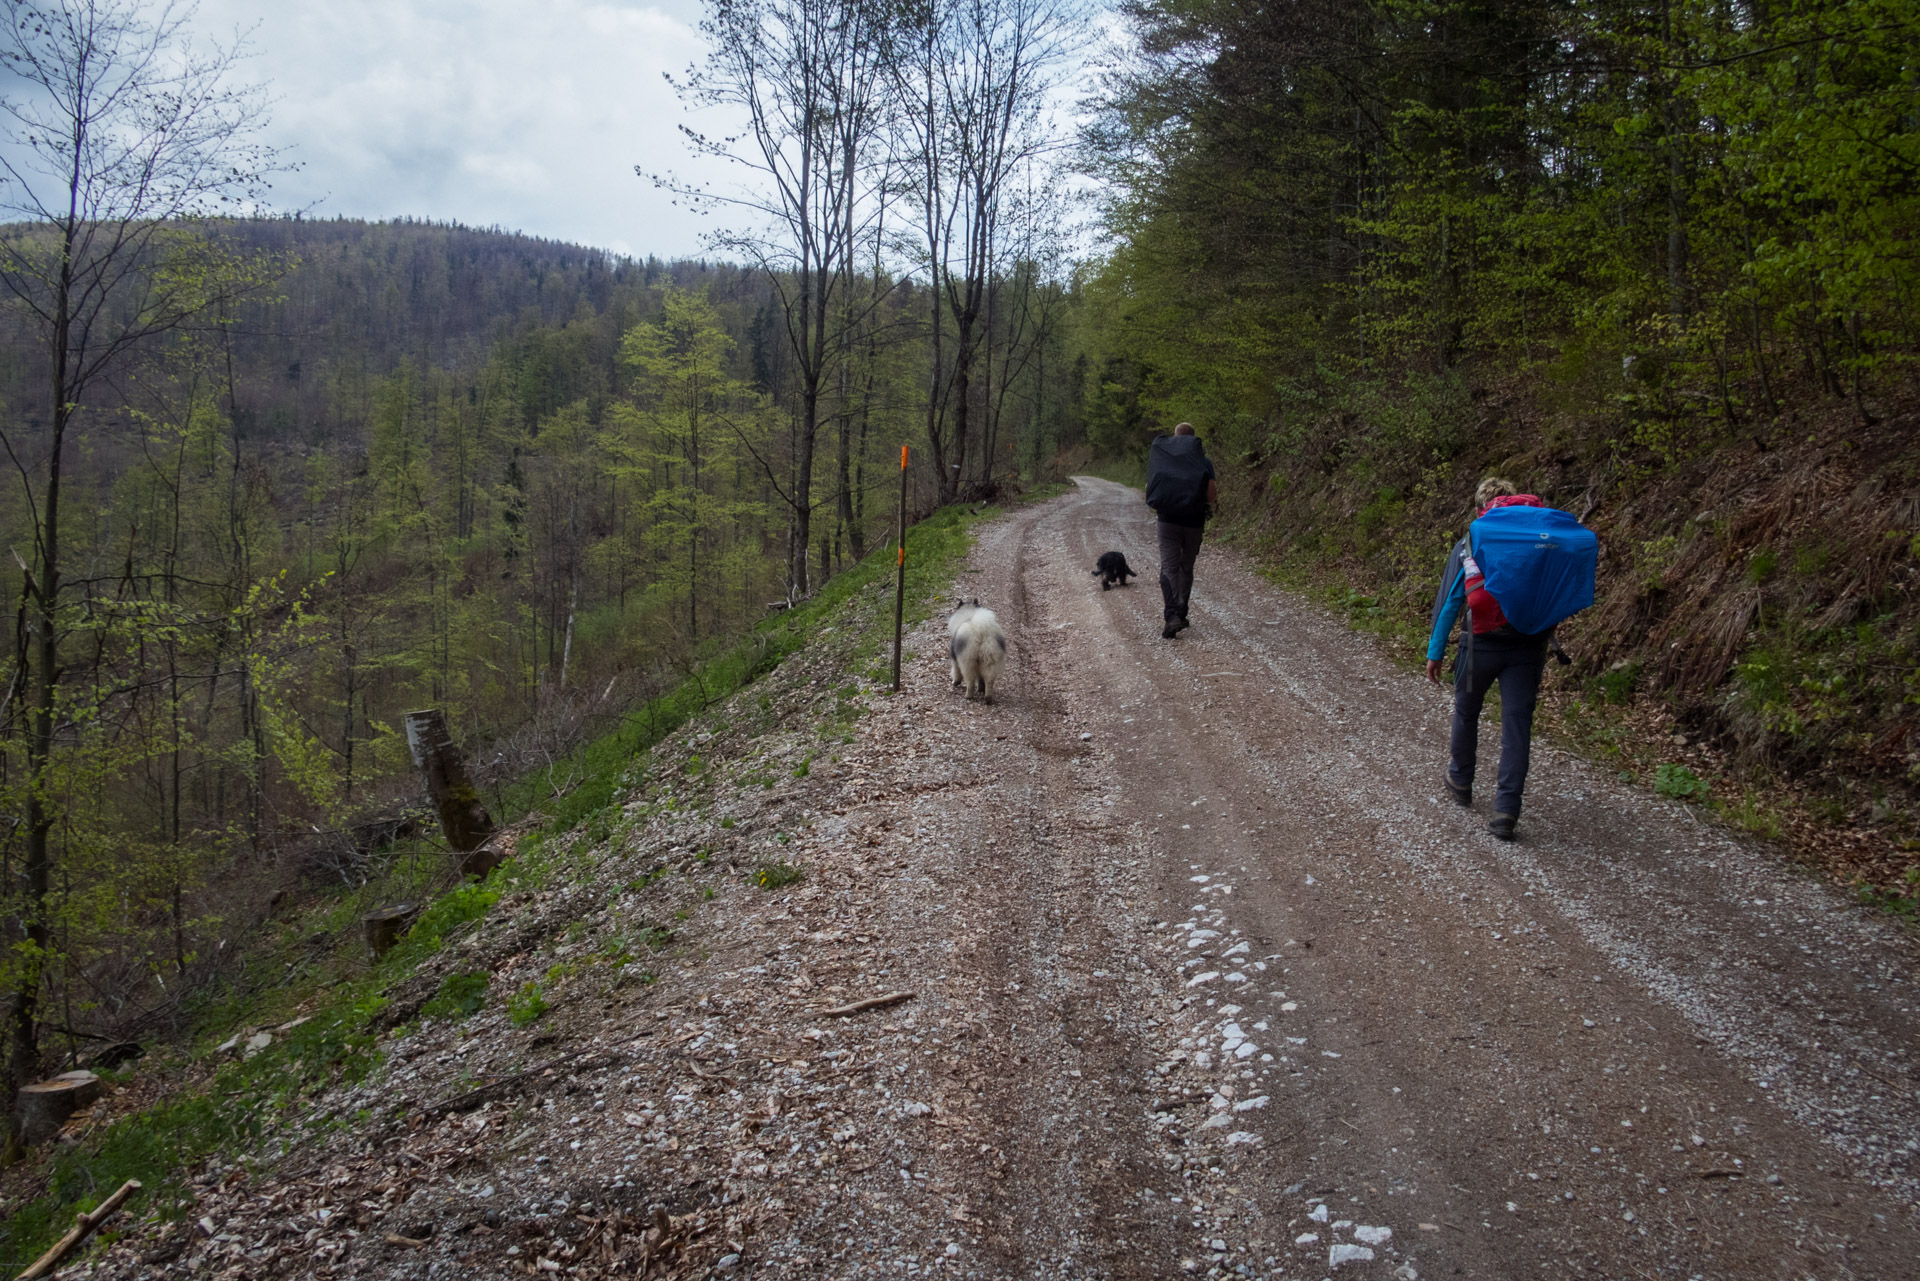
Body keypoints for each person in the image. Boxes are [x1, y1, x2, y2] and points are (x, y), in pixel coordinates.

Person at [1425, 477, 1551, 841]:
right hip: (1528, 648)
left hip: (1477, 645)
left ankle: (1461, 780)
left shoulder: (1471, 540)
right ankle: (1506, 811)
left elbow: (1451, 601)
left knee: (1466, 711)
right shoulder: (1538, 541)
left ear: (1480, 508)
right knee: (1516, 725)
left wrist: (1435, 653)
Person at [1145, 422, 1217, 639]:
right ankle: (1182, 609)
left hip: (1167, 521)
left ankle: (1171, 616)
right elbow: (1211, 495)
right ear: (1193, 439)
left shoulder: (1163, 459)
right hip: (1194, 522)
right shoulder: (1203, 462)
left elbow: (1150, 490)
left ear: (1175, 438)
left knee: (1168, 565)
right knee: (1186, 566)